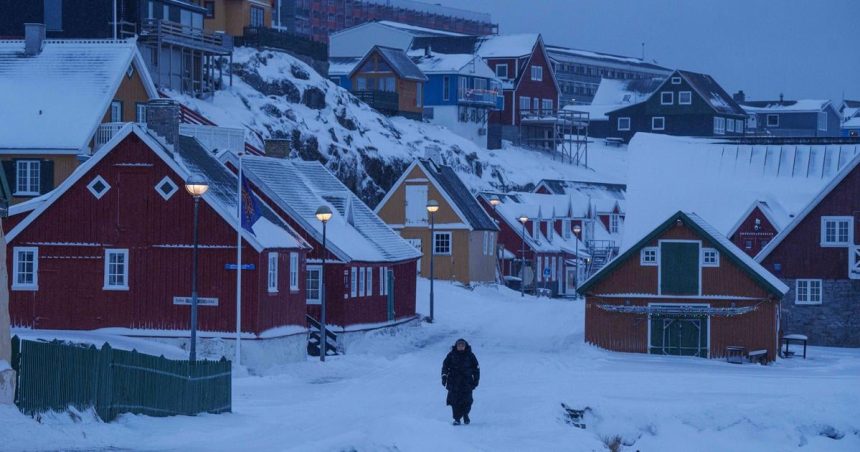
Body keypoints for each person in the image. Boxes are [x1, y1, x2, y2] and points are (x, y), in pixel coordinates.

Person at [441, 338, 480, 425]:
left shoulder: (470, 355)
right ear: (456, 346)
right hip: (454, 382)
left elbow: (476, 369)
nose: (461, 346)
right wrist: (444, 377)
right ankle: (457, 419)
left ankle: (465, 414)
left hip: (467, 382)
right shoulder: (451, 355)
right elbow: (445, 366)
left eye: (462, 345)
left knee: (467, 401)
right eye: (459, 345)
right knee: (455, 402)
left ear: (465, 346)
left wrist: (476, 380)